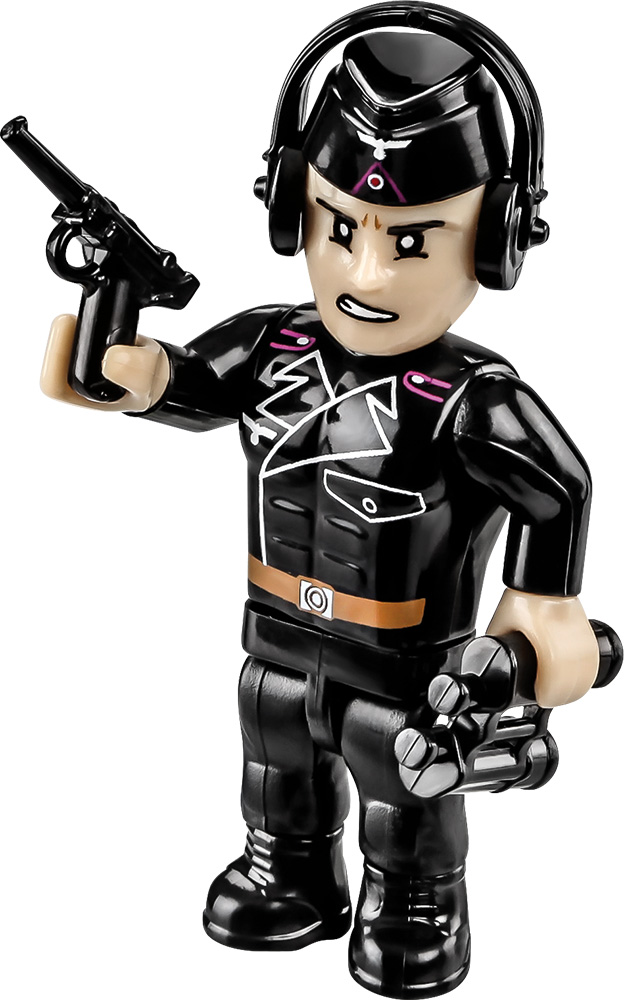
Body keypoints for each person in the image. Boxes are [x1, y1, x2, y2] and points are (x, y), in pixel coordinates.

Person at [37, 14, 599, 1000]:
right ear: (294, 207)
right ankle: (287, 872)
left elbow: (557, 486)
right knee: (275, 752)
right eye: (341, 228)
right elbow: (167, 381)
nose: (367, 274)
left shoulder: (472, 399)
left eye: (411, 241)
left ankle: (416, 900)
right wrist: (114, 333)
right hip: (279, 637)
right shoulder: (271, 346)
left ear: (496, 240)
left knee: (402, 783)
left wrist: (541, 601)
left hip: (404, 666)